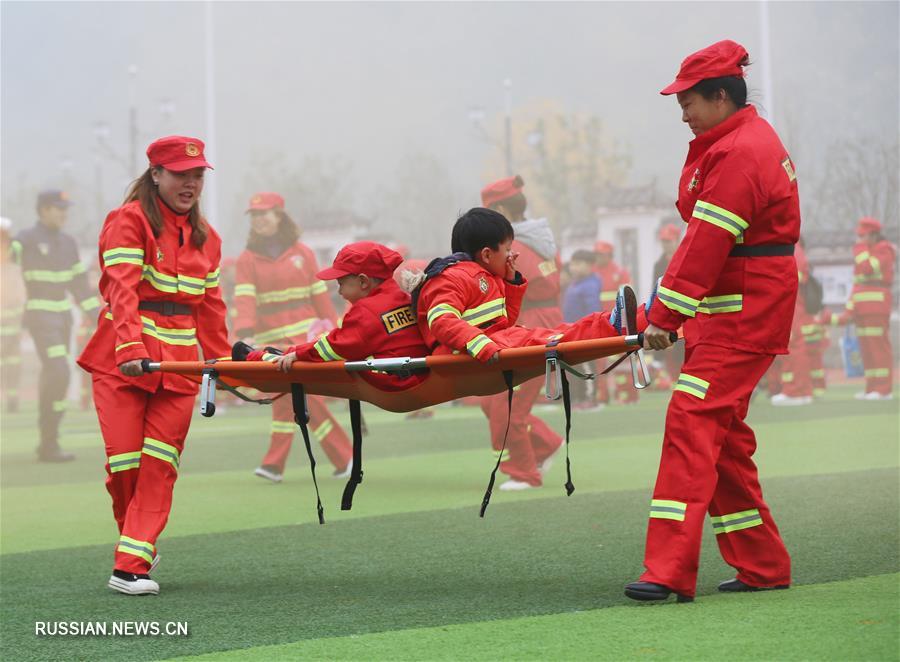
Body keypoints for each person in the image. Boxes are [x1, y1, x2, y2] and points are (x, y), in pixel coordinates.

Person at [625, 40, 797, 603]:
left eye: (689, 101)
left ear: (721, 96)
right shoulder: (734, 143)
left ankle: (668, 569)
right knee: (722, 439)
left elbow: (706, 242)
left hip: (742, 315)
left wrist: (663, 315)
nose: (683, 113)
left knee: (691, 420)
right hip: (730, 313)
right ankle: (762, 564)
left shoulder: (741, 152)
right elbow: (705, 243)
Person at [77, 135, 231, 595]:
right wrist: (129, 350)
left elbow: (211, 307)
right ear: (156, 174)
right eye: (181, 174)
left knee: (160, 465)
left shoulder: (210, 239)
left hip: (178, 369)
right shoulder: (128, 221)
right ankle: (138, 543)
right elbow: (121, 290)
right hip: (122, 362)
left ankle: (130, 563)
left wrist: (222, 363)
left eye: (198, 175)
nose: (191, 183)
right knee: (125, 466)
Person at [413, 208, 642, 490]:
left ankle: (628, 319)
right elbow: (441, 319)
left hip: (497, 344)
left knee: (560, 337)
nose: (512, 254)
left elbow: (503, 321)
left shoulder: (485, 275)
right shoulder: (451, 277)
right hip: (478, 354)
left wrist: (510, 282)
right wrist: (480, 343)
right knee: (559, 339)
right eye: (507, 249)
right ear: (486, 254)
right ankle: (620, 322)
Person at [233, 192, 353, 483]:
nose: (259, 220)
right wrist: (244, 337)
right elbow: (245, 301)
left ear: (279, 216)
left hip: (305, 342)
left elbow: (320, 296)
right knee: (292, 399)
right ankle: (342, 458)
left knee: (296, 398)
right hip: (271, 344)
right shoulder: (247, 260)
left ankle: (280, 464)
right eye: (255, 216)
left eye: (265, 214)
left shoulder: (304, 253)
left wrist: (337, 332)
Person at [243, 241, 429, 392]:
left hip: (393, 381)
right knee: (314, 353)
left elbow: (335, 347)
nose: (339, 291)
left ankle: (256, 357)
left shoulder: (366, 311)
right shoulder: (403, 298)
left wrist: (298, 354)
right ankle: (279, 353)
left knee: (314, 364)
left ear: (363, 281)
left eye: (341, 283)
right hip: (416, 376)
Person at [477, 176, 564, 490]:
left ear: (500, 208)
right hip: (541, 320)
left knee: (505, 404)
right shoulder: (541, 240)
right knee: (493, 401)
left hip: (528, 323)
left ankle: (526, 470)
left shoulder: (515, 247)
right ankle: (545, 444)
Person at [12, 190, 100, 462]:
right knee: (59, 372)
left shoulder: (68, 243)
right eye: (57, 208)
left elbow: (80, 288)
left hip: (63, 320)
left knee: (57, 377)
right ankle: (49, 442)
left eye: (65, 208)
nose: (63, 213)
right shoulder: (23, 241)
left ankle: (48, 442)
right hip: (39, 317)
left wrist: (101, 319)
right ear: (43, 210)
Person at [825, 216, 895, 399]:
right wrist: (851, 306)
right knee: (867, 351)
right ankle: (872, 388)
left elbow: (867, 269)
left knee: (878, 349)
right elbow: (858, 283)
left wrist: (860, 248)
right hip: (863, 308)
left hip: (876, 307)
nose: (859, 239)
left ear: (873, 235)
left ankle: (883, 390)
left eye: (862, 236)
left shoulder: (883, 249)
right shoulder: (868, 250)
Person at [771, 240, 814, 406]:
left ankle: (796, 392)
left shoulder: (793, 248)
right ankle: (799, 391)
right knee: (792, 345)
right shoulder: (794, 248)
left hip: (790, 301)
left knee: (793, 344)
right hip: (789, 300)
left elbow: (795, 276)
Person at [593, 241, 636, 405]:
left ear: (609, 255)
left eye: (602, 254)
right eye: (597, 254)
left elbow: (628, 296)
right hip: (600, 321)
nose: (599, 257)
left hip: (618, 322)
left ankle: (626, 395)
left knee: (622, 360)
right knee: (600, 361)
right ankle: (602, 396)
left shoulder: (620, 272)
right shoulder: (593, 272)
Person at [562, 250, 602, 407]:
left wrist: (591, 330)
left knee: (587, 366)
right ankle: (577, 398)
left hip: (585, 333)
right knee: (574, 367)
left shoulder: (590, 285)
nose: (573, 268)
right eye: (572, 264)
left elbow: (592, 310)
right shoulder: (574, 283)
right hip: (572, 331)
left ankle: (589, 398)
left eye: (578, 264)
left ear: (590, 266)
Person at [1, 217, 26, 413]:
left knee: (13, 361)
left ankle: (12, 398)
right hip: (11, 318)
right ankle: (10, 398)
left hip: (13, 320)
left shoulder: (15, 250)